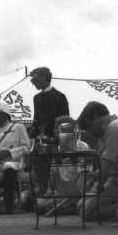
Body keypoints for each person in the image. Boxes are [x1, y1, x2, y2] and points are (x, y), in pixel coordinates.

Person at [76, 101, 118, 221]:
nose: (92, 132)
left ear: (95, 116)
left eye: (90, 126)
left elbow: (108, 161)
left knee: (86, 211)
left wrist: (99, 184)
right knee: (81, 204)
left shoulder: (113, 128)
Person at [36, 116, 90, 215]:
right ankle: (68, 207)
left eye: (58, 128)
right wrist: (48, 194)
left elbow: (82, 179)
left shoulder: (82, 147)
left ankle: (72, 206)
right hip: (60, 195)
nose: (55, 131)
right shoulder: (58, 148)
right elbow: (53, 176)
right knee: (39, 205)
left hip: (76, 194)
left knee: (48, 206)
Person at [29, 67, 70, 196]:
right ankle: (43, 196)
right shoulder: (36, 98)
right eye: (32, 81)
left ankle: (58, 195)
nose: (33, 83)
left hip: (55, 142)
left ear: (44, 78)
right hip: (41, 142)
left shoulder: (60, 97)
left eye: (35, 79)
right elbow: (36, 120)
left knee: (58, 170)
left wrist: (57, 140)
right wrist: (34, 136)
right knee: (40, 170)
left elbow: (65, 121)